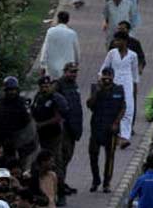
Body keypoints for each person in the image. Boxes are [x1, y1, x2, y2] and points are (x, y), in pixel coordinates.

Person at [87, 67, 125, 194]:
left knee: (110, 157)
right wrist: (98, 90)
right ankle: (95, 180)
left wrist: (116, 123)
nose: (107, 78)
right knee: (93, 155)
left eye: (109, 76)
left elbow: (122, 107)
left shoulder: (119, 89)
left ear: (113, 76)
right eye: (105, 76)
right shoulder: (96, 88)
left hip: (111, 129)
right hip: (97, 127)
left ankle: (107, 183)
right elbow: (90, 105)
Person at [99, 31, 139, 147]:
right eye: (115, 40)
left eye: (119, 40)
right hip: (114, 83)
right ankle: (114, 135)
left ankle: (125, 137)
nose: (116, 42)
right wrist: (102, 81)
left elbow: (135, 74)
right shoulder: (112, 53)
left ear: (125, 41)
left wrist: (135, 88)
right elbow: (104, 68)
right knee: (114, 108)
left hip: (127, 83)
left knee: (128, 109)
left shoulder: (133, 56)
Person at [29, 75, 67, 193]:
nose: (45, 88)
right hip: (41, 136)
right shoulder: (38, 97)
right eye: (43, 86)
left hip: (53, 135)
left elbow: (58, 117)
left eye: (47, 86)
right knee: (41, 162)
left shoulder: (55, 98)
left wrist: (42, 124)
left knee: (54, 162)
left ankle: (60, 191)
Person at [54, 63, 82, 201]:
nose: (73, 74)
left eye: (75, 72)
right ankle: (59, 186)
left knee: (68, 156)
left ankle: (61, 182)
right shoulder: (59, 85)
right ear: (65, 72)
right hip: (64, 128)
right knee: (63, 157)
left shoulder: (74, 85)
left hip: (73, 127)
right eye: (71, 72)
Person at [0, 78, 34, 168]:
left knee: (23, 168)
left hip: (21, 142)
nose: (12, 92)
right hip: (5, 142)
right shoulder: (0, 103)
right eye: (9, 90)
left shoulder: (22, 103)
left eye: (14, 89)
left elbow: (28, 122)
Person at [40, 12, 80, 80]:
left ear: (58, 19)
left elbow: (45, 48)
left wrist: (42, 64)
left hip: (52, 65)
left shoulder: (50, 31)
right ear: (68, 20)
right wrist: (76, 63)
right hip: (67, 66)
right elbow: (76, 50)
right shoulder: (72, 33)